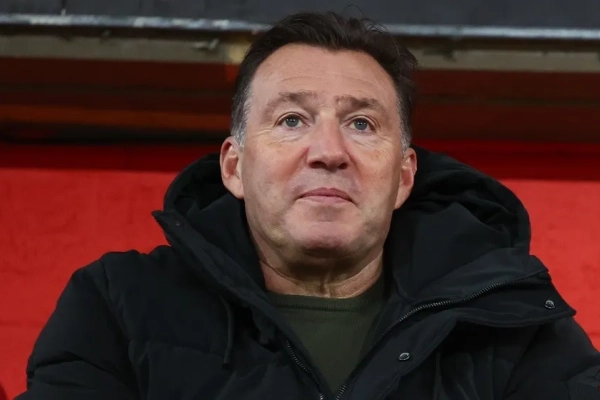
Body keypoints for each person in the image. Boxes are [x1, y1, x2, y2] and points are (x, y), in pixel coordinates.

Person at [17, 11, 600, 400]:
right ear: (233, 168)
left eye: (362, 123)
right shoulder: (118, 305)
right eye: (292, 120)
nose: (328, 152)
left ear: (404, 176)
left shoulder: (516, 325)